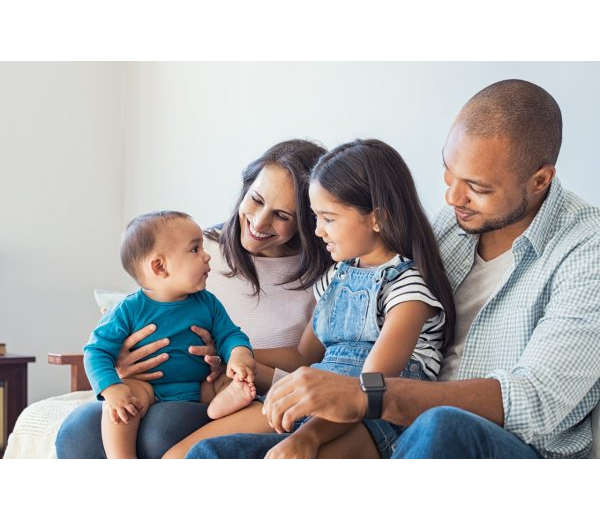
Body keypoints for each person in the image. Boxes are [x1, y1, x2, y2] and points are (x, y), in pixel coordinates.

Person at [186, 79, 600, 460]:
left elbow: (537, 400)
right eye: (448, 172)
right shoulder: (450, 228)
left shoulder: (586, 249)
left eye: (478, 187)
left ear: (540, 180)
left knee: (441, 426)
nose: (452, 197)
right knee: (212, 457)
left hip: (501, 446)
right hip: (394, 425)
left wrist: (368, 396)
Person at [163, 138, 456, 459]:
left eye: (328, 219)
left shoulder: (407, 291)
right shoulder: (336, 278)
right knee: (183, 457)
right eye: (316, 218)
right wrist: (232, 351)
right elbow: (303, 354)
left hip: (369, 419)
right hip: (313, 399)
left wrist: (307, 438)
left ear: (377, 218)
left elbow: (371, 390)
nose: (317, 232)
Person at [51, 139, 331, 459]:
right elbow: (121, 330)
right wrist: (120, 366)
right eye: (256, 199)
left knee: (161, 429)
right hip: (152, 384)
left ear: (310, 221)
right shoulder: (194, 248)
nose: (260, 222)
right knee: (79, 429)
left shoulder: (323, 276)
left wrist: (232, 356)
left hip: (229, 390)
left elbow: (306, 360)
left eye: (282, 215)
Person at [85, 211, 260, 459]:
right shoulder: (129, 309)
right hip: (150, 388)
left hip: (201, 387)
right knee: (124, 404)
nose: (207, 255)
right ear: (160, 266)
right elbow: (96, 351)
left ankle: (222, 405)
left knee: (233, 383)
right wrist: (112, 389)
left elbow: (230, 334)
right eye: (195, 249)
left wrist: (239, 355)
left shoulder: (207, 303)